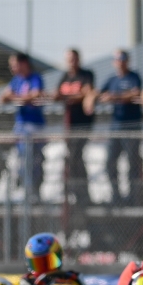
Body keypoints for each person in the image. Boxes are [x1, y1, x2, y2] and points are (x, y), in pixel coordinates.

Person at [87, 49, 143, 205]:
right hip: (115, 127)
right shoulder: (112, 79)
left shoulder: (134, 77)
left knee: (132, 163)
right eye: (118, 59)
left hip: (131, 127)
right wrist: (90, 99)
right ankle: (116, 196)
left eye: (123, 59)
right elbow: (99, 92)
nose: (120, 62)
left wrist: (115, 97)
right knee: (110, 162)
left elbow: (135, 93)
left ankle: (134, 198)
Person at [52, 49, 95, 205]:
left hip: (82, 123)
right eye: (69, 59)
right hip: (69, 124)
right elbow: (57, 94)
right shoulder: (65, 76)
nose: (71, 62)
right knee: (72, 157)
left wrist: (70, 96)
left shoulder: (86, 74)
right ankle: (76, 192)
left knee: (76, 155)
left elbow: (87, 92)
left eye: (74, 58)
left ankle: (83, 194)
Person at [0, 53, 45, 202]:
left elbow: (35, 94)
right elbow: (4, 96)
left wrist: (16, 97)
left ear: (24, 63)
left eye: (14, 64)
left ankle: (33, 190)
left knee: (32, 159)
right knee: (20, 159)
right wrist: (18, 98)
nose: (12, 68)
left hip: (33, 126)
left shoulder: (35, 78)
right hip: (20, 125)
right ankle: (24, 189)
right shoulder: (16, 80)